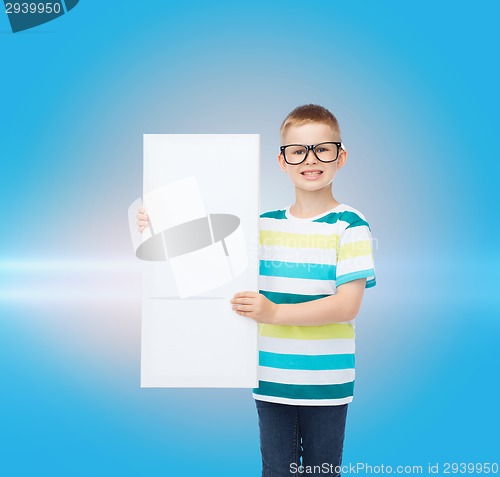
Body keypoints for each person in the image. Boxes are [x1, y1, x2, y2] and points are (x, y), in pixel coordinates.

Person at [137, 104, 376, 477]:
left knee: (323, 473)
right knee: (276, 472)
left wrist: (276, 313)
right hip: (269, 380)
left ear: (340, 156)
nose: (310, 160)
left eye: (322, 149)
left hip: (326, 384)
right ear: (282, 161)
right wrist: (159, 221)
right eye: (297, 151)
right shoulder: (259, 225)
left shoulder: (350, 225)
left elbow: (347, 305)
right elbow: (202, 260)